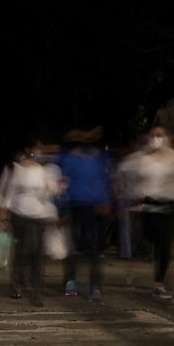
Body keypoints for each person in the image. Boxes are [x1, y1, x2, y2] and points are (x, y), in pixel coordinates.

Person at [118, 126, 174, 299]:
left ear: (167, 137)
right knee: (149, 238)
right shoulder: (140, 160)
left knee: (164, 246)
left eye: (160, 135)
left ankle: (160, 283)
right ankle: (143, 264)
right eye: (153, 135)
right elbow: (125, 174)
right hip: (148, 206)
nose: (156, 138)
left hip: (169, 206)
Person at [0, 141, 63, 306]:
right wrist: (2, 217)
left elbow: (53, 193)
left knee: (38, 254)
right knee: (22, 252)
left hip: (40, 218)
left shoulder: (47, 171)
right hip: (20, 216)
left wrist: (57, 188)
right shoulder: (16, 170)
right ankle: (17, 284)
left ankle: (36, 291)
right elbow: (7, 195)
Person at [57, 126, 112, 304]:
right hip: (74, 206)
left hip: (95, 209)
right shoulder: (67, 158)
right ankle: (70, 281)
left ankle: (95, 287)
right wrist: (62, 209)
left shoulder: (100, 158)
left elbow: (106, 181)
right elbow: (62, 184)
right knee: (72, 246)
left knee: (95, 250)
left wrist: (106, 203)